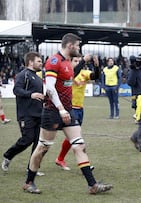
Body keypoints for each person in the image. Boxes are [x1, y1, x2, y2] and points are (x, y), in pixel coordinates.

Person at [22, 33, 112, 194]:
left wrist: (95, 65)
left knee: (79, 145)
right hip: (52, 112)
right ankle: (29, 182)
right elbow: (49, 89)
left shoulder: (68, 64)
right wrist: (61, 108)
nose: (79, 48)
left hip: (68, 112)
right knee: (42, 148)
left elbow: (73, 78)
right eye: (78, 45)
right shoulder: (54, 61)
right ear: (70, 45)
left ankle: (92, 185)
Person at [55, 53, 100, 171]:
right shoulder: (68, 73)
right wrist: (83, 62)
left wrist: (96, 66)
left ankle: (60, 159)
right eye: (75, 60)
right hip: (69, 108)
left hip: (80, 109)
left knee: (72, 137)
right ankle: (84, 164)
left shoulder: (84, 73)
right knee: (76, 137)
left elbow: (96, 76)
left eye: (78, 61)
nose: (77, 62)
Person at [1, 52, 44, 172]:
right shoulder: (23, 75)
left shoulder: (38, 78)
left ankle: (31, 168)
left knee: (38, 142)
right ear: (31, 62)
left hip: (39, 114)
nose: (41, 63)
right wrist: (31, 94)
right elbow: (16, 90)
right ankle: (8, 155)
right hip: (26, 115)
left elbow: (38, 96)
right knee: (27, 139)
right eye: (39, 61)